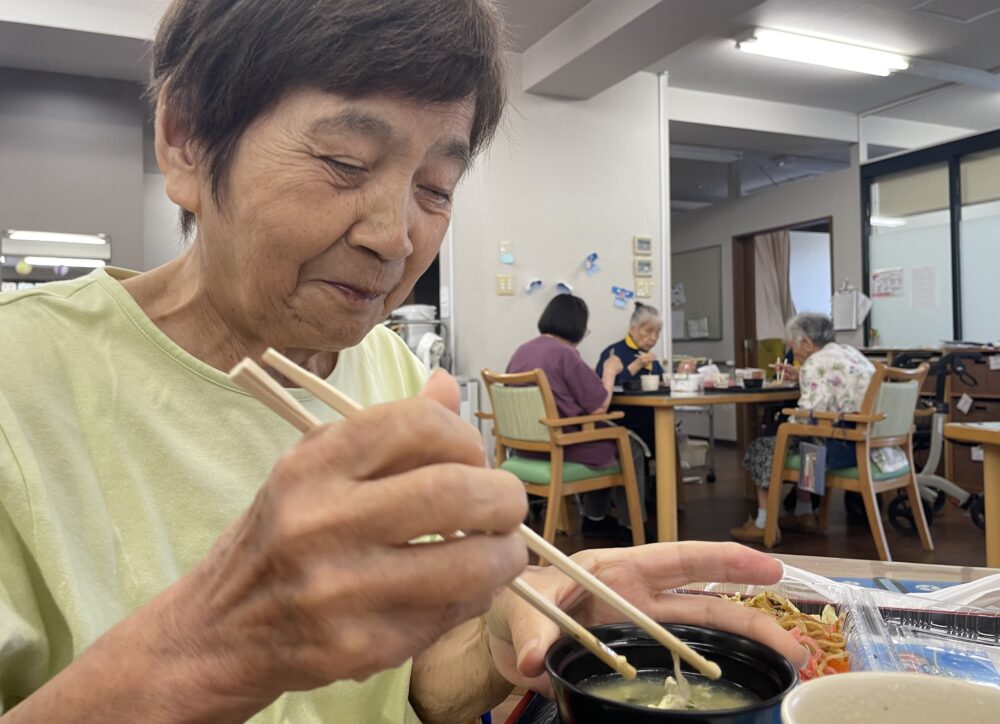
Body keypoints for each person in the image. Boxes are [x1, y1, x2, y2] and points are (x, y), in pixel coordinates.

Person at [0, 1, 808, 720]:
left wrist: (509, 630)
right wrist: (214, 645)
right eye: (346, 162)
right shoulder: (21, 373)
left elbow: (423, 684)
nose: (394, 238)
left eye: (436, 188)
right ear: (185, 140)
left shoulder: (396, 377)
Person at [731, 313, 876, 544]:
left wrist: (785, 424)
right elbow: (834, 384)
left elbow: (808, 414)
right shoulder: (849, 352)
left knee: (764, 444)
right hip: (866, 443)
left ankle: (763, 523)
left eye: (793, 342)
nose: (792, 348)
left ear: (807, 343)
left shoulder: (814, 364)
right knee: (802, 440)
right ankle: (803, 512)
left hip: (839, 448)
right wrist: (801, 376)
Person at [506, 294, 642, 541]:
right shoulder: (565, 354)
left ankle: (597, 519)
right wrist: (610, 370)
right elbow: (599, 406)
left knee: (604, 438)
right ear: (577, 327)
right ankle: (627, 526)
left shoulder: (522, 351)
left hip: (523, 450)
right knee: (628, 444)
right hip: (561, 447)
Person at [596, 301, 664, 466]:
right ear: (633, 329)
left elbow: (661, 382)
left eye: (657, 333)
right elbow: (601, 391)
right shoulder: (613, 352)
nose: (653, 338)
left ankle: (666, 489)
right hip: (622, 418)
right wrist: (635, 367)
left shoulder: (649, 357)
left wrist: (680, 374)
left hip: (648, 417)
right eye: (648, 332)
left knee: (668, 434)